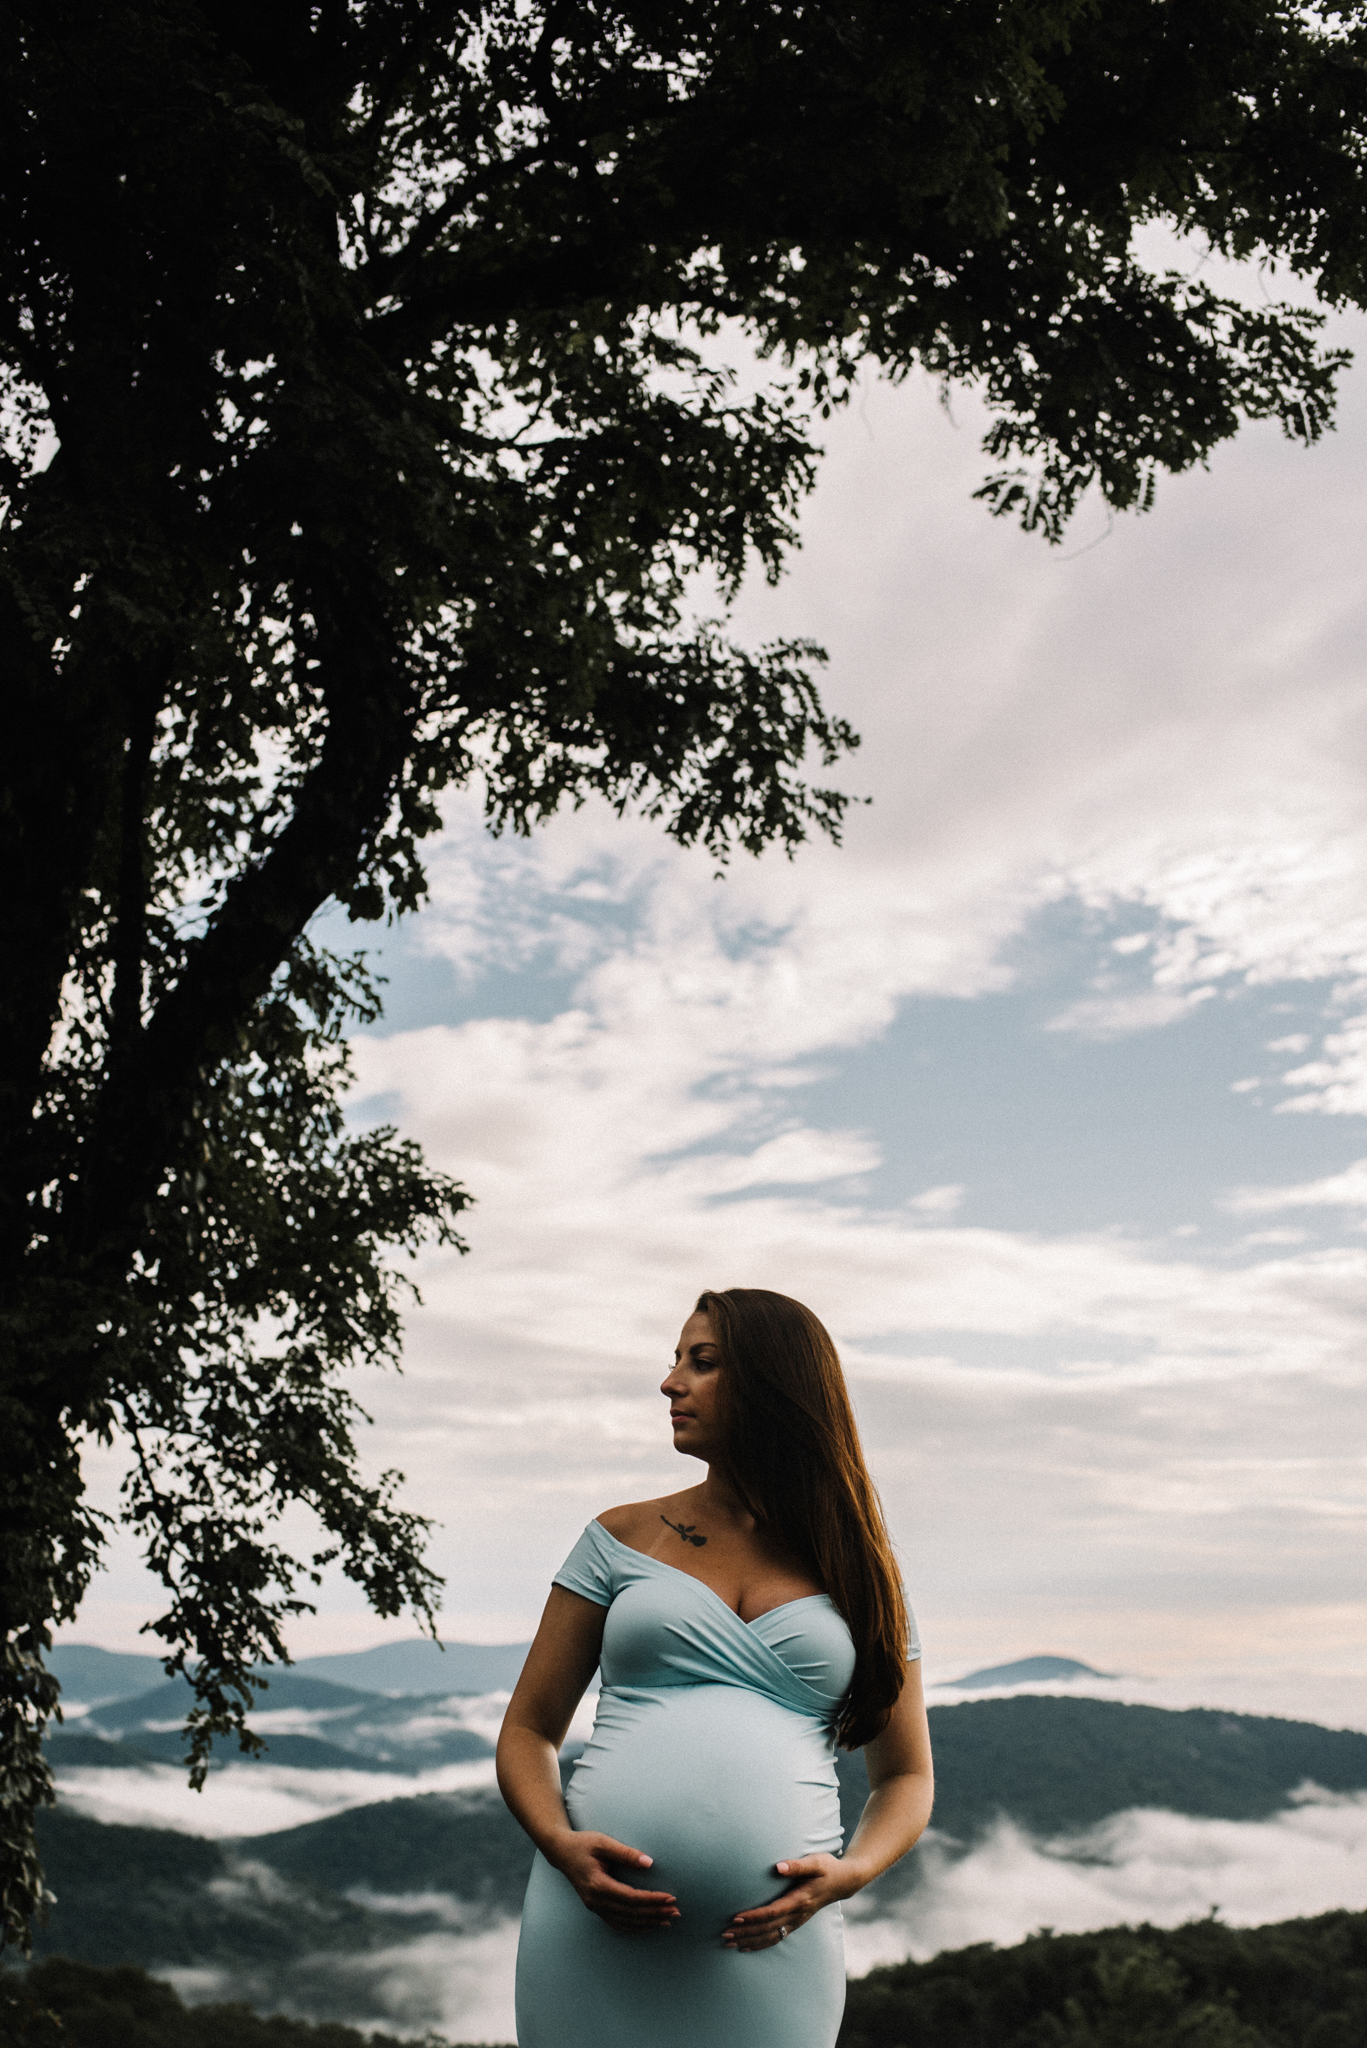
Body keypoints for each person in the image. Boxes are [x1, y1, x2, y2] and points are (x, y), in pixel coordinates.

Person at [498, 1286, 934, 2048]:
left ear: (774, 1386)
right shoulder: (618, 1537)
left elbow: (905, 1777)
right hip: (592, 1931)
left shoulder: (863, 1569)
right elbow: (529, 1729)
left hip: (771, 1951)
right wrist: (559, 1845)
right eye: (675, 1361)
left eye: (701, 1363)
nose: (670, 1383)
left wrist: (852, 1872)